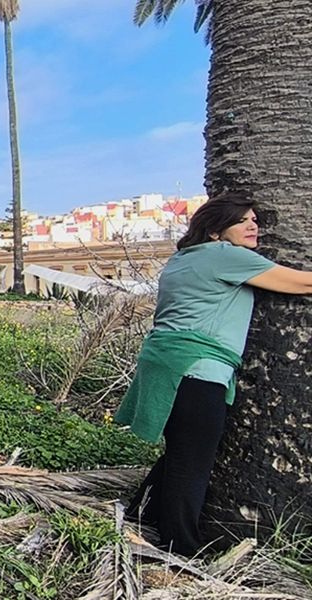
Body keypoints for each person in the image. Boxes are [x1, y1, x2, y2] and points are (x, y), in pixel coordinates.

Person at [115, 193, 312, 557]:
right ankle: (181, 548)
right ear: (216, 230)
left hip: (165, 365)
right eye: (243, 221)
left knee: (181, 451)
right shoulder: (225, 256)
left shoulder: (181, 259)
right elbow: (304, 283)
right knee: (193, 462)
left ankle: (139, 516)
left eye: (255, 219)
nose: (253, 226)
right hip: (196, 368)